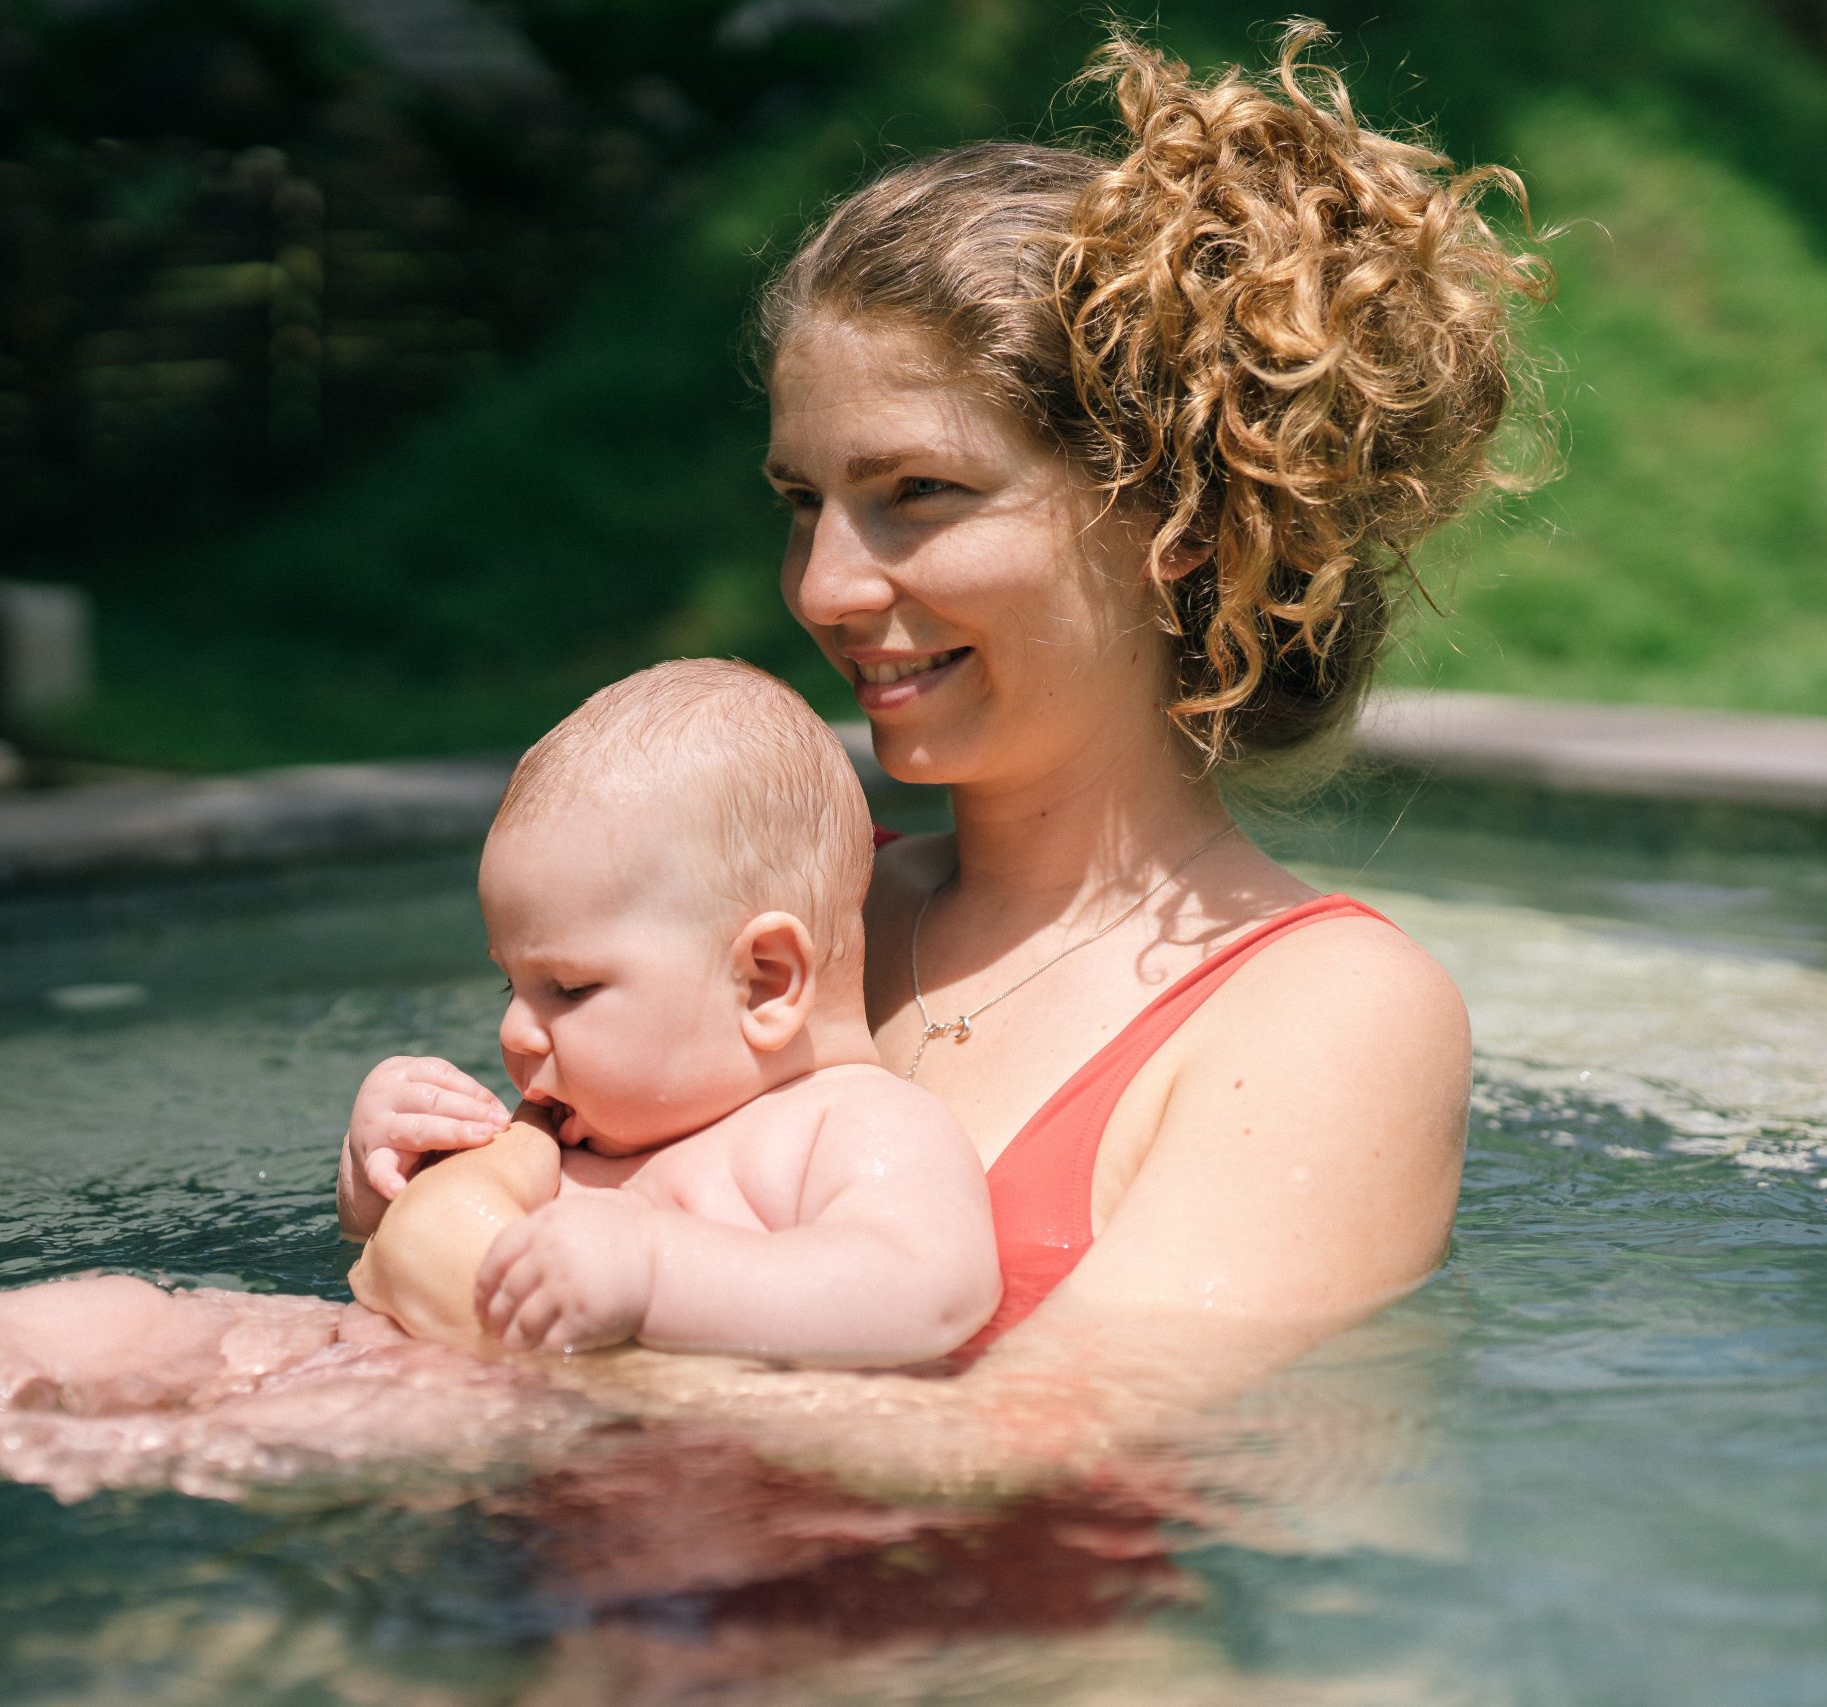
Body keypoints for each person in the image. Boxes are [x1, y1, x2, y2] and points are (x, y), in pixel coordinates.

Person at [341, 25, 1538, 1415]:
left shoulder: (1331, 1017)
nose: (824, 587)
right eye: (803, 502)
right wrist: (413, 1187)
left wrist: (485, 1297)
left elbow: (1025, 1454)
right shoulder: (789, 915)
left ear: (1180, 525)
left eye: (919, 492)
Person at [0, 661, 1001, 1443]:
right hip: (354, 1338)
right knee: (107, 1311)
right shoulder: (585, 1116)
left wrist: (652, 1270)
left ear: (765, 979)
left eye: (566, 987)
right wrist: (377, 1170)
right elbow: (399, 1252)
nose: (518, 1030)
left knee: (201, 1434)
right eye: (510, 981)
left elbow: (925, 1291)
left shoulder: (848, 1127)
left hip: (505, 1419)